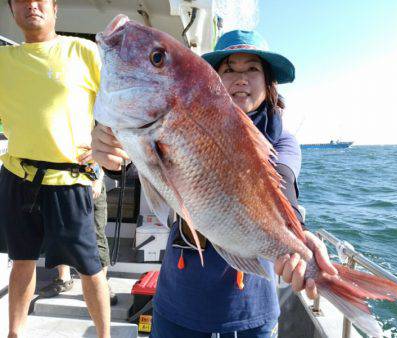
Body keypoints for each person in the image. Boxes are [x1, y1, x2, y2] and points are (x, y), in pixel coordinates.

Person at [92, 30, 337, 337]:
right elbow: (149, 172)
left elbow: (284, 186)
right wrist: (115, 158)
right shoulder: (179, 122)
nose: (241, 78)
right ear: (215, 80)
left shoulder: (282, 141)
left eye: (252, 69)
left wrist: (299, 237)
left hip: (251, 313)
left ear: (269, 82)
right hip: (178, 304)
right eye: (229, 69)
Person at [0, 1, 110, 337]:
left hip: (73, 179)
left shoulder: (83, 51)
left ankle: (104, 335)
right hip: (19, 177)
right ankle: (15, 334)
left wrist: (103, 163)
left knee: (91, 269)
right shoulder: (3, 62)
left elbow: (115, 107)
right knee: (21, 260)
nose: (32, 4)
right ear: (11, 9)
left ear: (54, 8)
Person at [38, 163, 118, 306]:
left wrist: (98, 181)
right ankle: (64, 278)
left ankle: (102, 283)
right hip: (60, 182)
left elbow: (100, 154)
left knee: (96, 234)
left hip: (90, 182)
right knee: (59, 232)